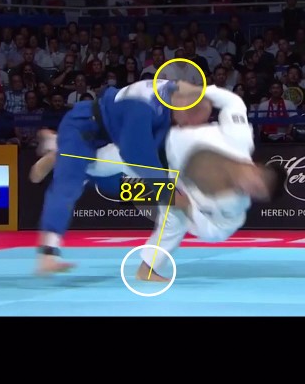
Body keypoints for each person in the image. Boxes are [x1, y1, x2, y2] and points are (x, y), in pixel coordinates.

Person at [31, 85, 281, 281]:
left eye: (256, 193)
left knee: (175, 221)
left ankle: (147, 269)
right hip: (160, 144)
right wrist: (201, 92)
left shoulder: (235, 206)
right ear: (256, 168)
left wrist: (189, 209)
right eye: (257, 182)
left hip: (174, 185)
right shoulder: (239, 138)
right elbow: (233, 102)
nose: (250, 188)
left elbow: (216, 233)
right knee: (102, 160)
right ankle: (59, 150)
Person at [35, 79, 211, 275]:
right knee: (69, 185)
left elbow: (158, 155)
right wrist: (171, 193)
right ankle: (48, 254)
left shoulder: (172, 96)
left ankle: (57, 148)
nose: (187, 124)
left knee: (119, 185)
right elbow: (136, 156)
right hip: (83, 128)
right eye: (189, 118)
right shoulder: (143, 106)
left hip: (115, 136)